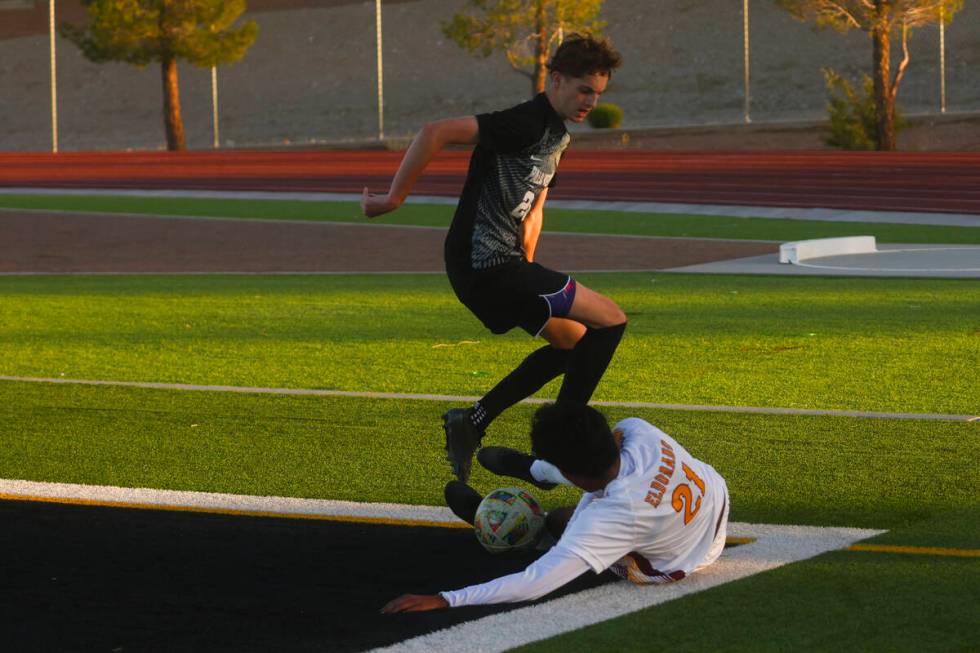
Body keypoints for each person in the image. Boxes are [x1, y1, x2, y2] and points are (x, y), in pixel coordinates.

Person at [361, 35, 628, 484]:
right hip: (483, 264)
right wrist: (393, 198)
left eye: (598, 93)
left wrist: (530, 266)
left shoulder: (558, 135)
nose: (591, 101)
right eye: (584, 89)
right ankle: (564, 443)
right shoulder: (525, 122)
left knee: (574, 343)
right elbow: (436, 131)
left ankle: (474, 420)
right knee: (612, 321)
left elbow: (534, 206)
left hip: (508, 267)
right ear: (556, 79)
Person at [381, 402, 730, 613]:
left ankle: (518, 524)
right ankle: (536, 471)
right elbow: (605, 454)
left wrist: (446, 599)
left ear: (571, 473)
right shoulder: (640, 431)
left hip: (683, 559)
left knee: (565, 523)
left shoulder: (612, 514)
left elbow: (534, 582)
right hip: (713, 498)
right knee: (588, 508)